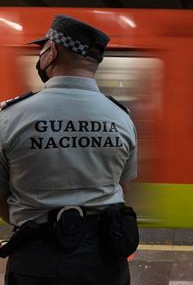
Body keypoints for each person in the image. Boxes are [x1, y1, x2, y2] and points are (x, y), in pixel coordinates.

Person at [0, 15, 138, 285]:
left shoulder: (9, 118)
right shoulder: (122, 118)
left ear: (51, 52)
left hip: (37, 259)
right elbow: (124, 188)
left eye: (42, 50)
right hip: (107, 260)